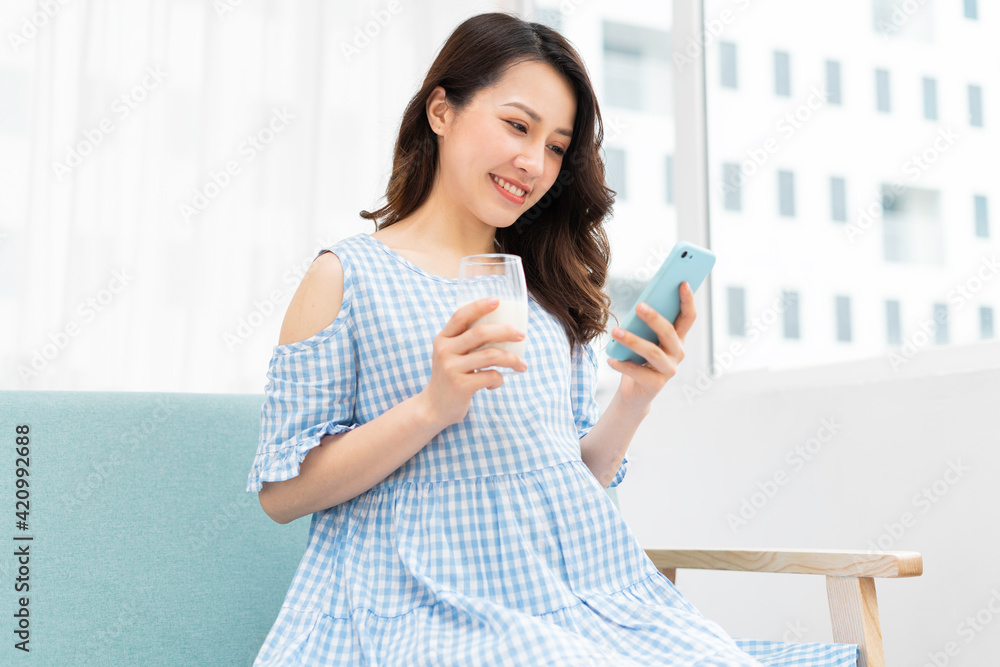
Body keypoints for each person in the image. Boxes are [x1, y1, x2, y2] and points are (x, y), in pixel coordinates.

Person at [246, 12, 859, 666]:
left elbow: (566, 483)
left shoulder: (542, 298)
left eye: (557, 146)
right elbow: (283, 493)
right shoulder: (346, 276)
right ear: (441, 112)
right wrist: (432, 406)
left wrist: (634, 396)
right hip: (419, 606)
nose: (533, 162)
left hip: (572, 597)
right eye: (517, 125)